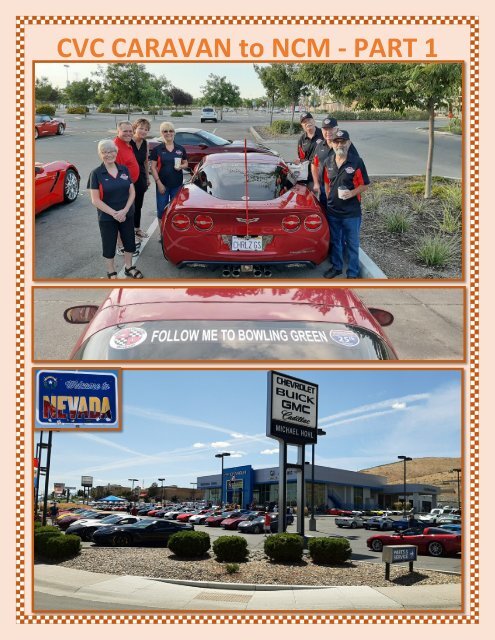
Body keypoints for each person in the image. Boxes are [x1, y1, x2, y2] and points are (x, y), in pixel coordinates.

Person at [87, 139, 144, 279]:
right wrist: (114, 213)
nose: (109, 154)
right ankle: (111, 271)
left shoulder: (123, 169)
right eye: (104, 152)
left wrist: (124, 211)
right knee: (109, 244)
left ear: (116, 152)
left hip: (126, 214)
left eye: (111, 151)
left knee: (129, 242)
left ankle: (129, 267)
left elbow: (132, 192)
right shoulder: (96, 173)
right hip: (107, 217)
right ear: (100, 154)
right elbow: (95, 200)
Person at [322, 130, 370, 279]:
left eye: (343, 141)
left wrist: (351, 193)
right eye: (336, 142)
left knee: (352, 244)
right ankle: (337, 267)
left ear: (348, 143)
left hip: (351, 213)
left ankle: (353, 273)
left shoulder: (356, 162)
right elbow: (326, 183)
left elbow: (364, 185)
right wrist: (329, 197)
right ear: (332, 143)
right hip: (333, 211)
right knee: (336, 241)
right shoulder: (328, 162)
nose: (339, 144)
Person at [150, 122, 188, 219]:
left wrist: (181, 167)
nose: (168, 133)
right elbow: (153, 167)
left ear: (174, 132)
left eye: (170, 131)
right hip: (163, 185)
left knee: (176, 210)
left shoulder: (180, 148)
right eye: (165, 131)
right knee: (162, 211)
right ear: (161, 133)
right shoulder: (157, 149)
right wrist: (159, 183)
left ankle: (174, 232)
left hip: (177, 185)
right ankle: (162, 234)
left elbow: (186, 163)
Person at [113, 121, 140, 256]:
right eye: (125, 131)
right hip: (122, 190)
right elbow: (115, 173)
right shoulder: (115, 148)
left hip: (129, 187)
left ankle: (127, 241)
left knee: (128, 217)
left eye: (130, 131)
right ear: (118, 131)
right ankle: (121, 246)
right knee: (121, 217)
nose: (128, 133)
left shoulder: (126, 144)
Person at [130, 118, 151, 242]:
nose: (143, 131)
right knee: (129, 206)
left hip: (141, 177)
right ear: (135, 128)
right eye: (141, 128)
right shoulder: (128, 142)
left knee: (138, 205)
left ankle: (137, 229)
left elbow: (145, 161)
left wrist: (148, 178)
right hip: (129, 178)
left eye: (146, 129)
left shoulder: (145, 143)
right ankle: (128, 233)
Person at [295, 111, 324, 190]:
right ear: (302, 125)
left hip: (323, 174)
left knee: (324, 199)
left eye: (309, 120)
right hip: (308, 176)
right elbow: (301, 156)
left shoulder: (323, 134)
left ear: (313, 120)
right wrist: (299, 160)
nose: (307, 123)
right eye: (304, 122)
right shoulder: (301, 139)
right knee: (310, 198)